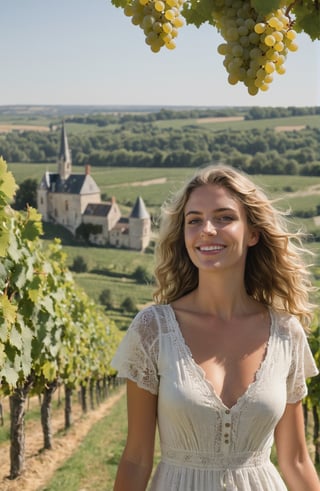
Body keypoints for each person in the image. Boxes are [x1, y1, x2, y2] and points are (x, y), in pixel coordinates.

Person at [112, 165, 320, 491]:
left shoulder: (286, 333)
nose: (207, 229)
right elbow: (137, 458)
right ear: (184, 235)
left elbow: (295, 460)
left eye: (224, 217)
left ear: (252, 233)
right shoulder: (153, 330)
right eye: (194, 220)